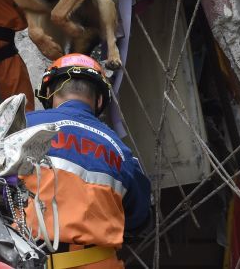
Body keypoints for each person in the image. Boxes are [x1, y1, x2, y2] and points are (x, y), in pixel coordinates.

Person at [22, 54, 151, 269]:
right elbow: (139, 218)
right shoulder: (121, 152)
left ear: (49, 92)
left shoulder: (24, 125)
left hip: (27, 260)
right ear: (100, 100)